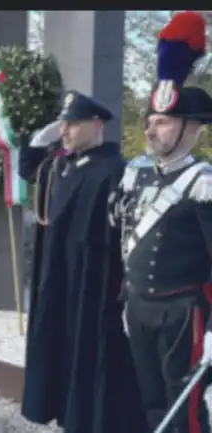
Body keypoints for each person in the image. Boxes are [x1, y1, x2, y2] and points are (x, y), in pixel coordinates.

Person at [19, 91, 147, 433]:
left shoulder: (115, 170)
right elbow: (28, 170)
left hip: (93, 280)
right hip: (59, 274)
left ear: (96, 125)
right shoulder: (65, 163)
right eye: (64, 124)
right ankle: (64, 411)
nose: (65, 132)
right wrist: (39, 139)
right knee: (59, 347)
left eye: (73, 124)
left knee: (91, 357)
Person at [109, 11, 212, 432]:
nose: (151, 129)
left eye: (162, 121)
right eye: (149, 121)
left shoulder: (203, 183)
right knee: (149, 397)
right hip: (139, 305)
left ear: (192, 130)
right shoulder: (136, 173)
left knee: (183, 404)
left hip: (182, 312)